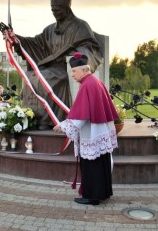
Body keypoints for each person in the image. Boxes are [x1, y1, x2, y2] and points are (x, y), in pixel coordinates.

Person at [0, 0, 102, 130]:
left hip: (65, 70)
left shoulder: (80, 26)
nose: (55, 13)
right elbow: (35, 44)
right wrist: (15, 39)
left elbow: (90, 47)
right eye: (52, 10)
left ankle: (48, 121)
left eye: (58, 10)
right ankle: (32, 117)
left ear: (67, 8)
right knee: (31, 76)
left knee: (45, 78)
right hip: (48, 67)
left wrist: (76, 58)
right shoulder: (49, 30)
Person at [53, 52, 118, 205]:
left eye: (74, 71)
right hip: (98, 130)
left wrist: (62, 126)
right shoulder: (95, 82)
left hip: (92, 133)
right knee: (101, 162)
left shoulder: (87, 85)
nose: (73, 75)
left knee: (92, 165)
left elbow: (80, 116)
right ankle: (103, 192)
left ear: (83, 70)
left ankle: (92, 196)